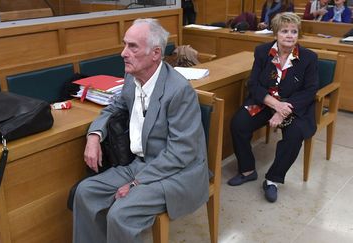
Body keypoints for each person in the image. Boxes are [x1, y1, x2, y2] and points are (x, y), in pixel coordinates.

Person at [72, 18, 211, 243]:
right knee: (85, 192)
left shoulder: (179, 91)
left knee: (120, 214)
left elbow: (181, 152)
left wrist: (136, 183)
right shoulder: (132, 77)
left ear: (156, 53)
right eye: (125, 44)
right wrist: (94, 136)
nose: (123, 53)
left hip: (175, 173)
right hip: (140, 163)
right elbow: (114, 108)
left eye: (132, 46)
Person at [228, 12, 318, 203]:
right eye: (284, 31)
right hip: (265, 102)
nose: (289, 35)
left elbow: (310, 91)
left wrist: (283, 110)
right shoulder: (262, 52)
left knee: (294, 135)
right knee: (239, 123)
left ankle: (272, 180)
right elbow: (253, 84)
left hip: (295, 107)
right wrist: (275, 104)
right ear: (275, 33)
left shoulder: (309, 58)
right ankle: (247, 170)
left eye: (294, 31)